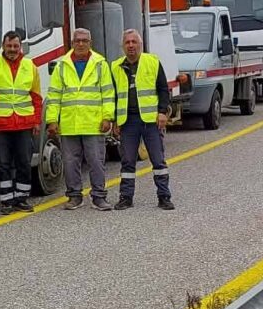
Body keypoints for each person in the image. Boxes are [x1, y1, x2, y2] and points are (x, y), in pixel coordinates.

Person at [46, 28, 115, 211]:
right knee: (70, 163)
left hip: (93, 124)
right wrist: (52, 120)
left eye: (85, 40)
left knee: (96, 161)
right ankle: (74, 196)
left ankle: (99, 197)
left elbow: (108, 93)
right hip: (70, 124)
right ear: (72, 43)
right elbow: (54, 95)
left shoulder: (100, 64)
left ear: (90, 42)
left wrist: (108, 117)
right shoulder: (62, 65)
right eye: (78, 41)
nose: (81, 44)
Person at [111, 28, 174, 210]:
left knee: (158, 160)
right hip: (128, 121)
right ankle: (126, 198)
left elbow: (163, 89)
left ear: (141, 44)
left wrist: (163, 111)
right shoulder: (115, 67)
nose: (131, 46)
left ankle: (164, 196)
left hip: (150, 120)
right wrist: (115, 119)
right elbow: (113, 95)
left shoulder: (152, 62)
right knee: (128, 161)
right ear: (123, 46)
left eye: (134, 42)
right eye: (127, 42)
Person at [0, 30, 42, 214]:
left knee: (24, 162)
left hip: (24, 122)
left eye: (16, 46)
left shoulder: (30, 66)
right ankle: (6, 200)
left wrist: (37, 121)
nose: (12, 49)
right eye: (9, 46)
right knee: (3, 164)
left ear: (21, 46)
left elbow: (36, 97)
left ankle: (21, 199)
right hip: (1, 123)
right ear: (3, 45)